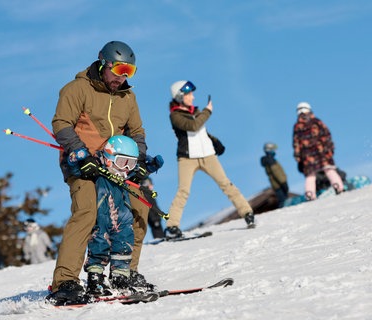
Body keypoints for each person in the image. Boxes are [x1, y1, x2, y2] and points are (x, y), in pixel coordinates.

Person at [47, 40, 154, 305]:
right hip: (82, 163)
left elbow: (137, 132)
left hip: (116, 165)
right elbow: (62, 124)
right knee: (88, 211)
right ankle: (66, 282)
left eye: (130, 70)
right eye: (119, 69)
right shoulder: (77, 89)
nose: (123, 77)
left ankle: (125, 272)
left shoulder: (127, 97)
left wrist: (138, 160)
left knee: (140, 206)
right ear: (104, 63)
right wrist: (80, 153)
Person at [165, 80, 255, 237]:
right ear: (180, 96)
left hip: (207, 155)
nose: (192, 97)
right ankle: (172, 227)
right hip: (187, 158)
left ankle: (247, 213)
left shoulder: (196, 111)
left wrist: (215, 141)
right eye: (189, 94)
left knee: (226, 183)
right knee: (183, 191)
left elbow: (202, 132)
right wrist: (207, 111)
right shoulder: (175, 116)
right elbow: (192, 126)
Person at [84, 135, 150, 297]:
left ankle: (120, 276)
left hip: (122, 215)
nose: (126, 169)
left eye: (130, 163)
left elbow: (137, 171)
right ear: (108, 158)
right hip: (103, 216)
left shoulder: (125, 177)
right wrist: (79, 163)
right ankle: (95, 277)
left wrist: (150, 166)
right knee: (100, 238)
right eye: (122, 162)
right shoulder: (99, 172)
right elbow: (77, 167)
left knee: (125, 237)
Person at [293, 102, 344, 200]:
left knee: (311, 175)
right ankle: (338, 187)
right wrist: (329, 148)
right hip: (321, 153)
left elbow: (296, 144)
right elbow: (326, 135)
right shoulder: (315, 121)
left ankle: (310, 194)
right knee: (328, 170)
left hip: (309, 156)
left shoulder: (298, 126)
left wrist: (298, 157)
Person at [260, 142, 289, 208]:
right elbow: (277, 173)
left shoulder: (269, 160)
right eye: (274, 150)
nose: (275, 151)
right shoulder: (270, 161)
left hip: (276, 185)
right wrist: (284, 183)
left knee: (282, 200)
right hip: (279, 184)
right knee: (283, 201)